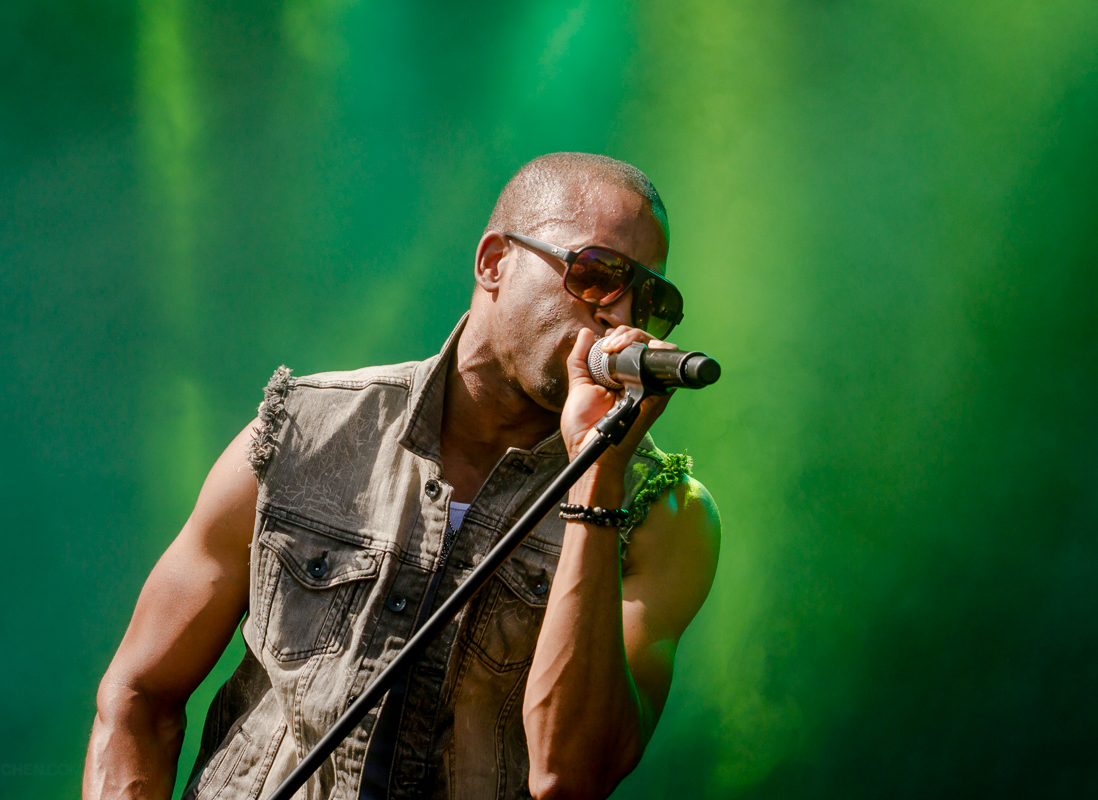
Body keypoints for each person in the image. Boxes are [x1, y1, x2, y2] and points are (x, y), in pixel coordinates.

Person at [82, 152, 721, 800]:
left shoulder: (662, 515)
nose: (620, 313)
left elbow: (570, 775)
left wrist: (597, 476)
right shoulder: (302, 432)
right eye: (597, 273)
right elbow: (138, 695)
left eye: (651, 296)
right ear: (495, 261)